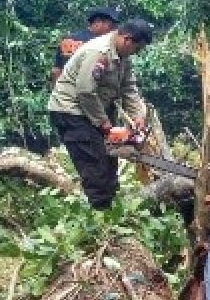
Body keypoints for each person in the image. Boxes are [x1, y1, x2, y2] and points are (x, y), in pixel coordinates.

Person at [48, 19, 153, 210]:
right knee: (95, 166)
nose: (137, 53)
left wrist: (138, 116)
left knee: (109, 163)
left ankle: (108, 209)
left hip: (93, 112)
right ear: (128, 40)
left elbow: (129, 87)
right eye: (137, 48)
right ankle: (98, 217)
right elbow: (85, 91)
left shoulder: (122, 57)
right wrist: (104, 125)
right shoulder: (98, 52)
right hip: (72, 111)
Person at [50, 7, 120, 84]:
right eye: (110, 25)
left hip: (65, 89)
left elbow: (56, 70)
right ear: (97, 22)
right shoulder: (98, 43)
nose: (112, 30)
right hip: (83, 89)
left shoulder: (68, 39)